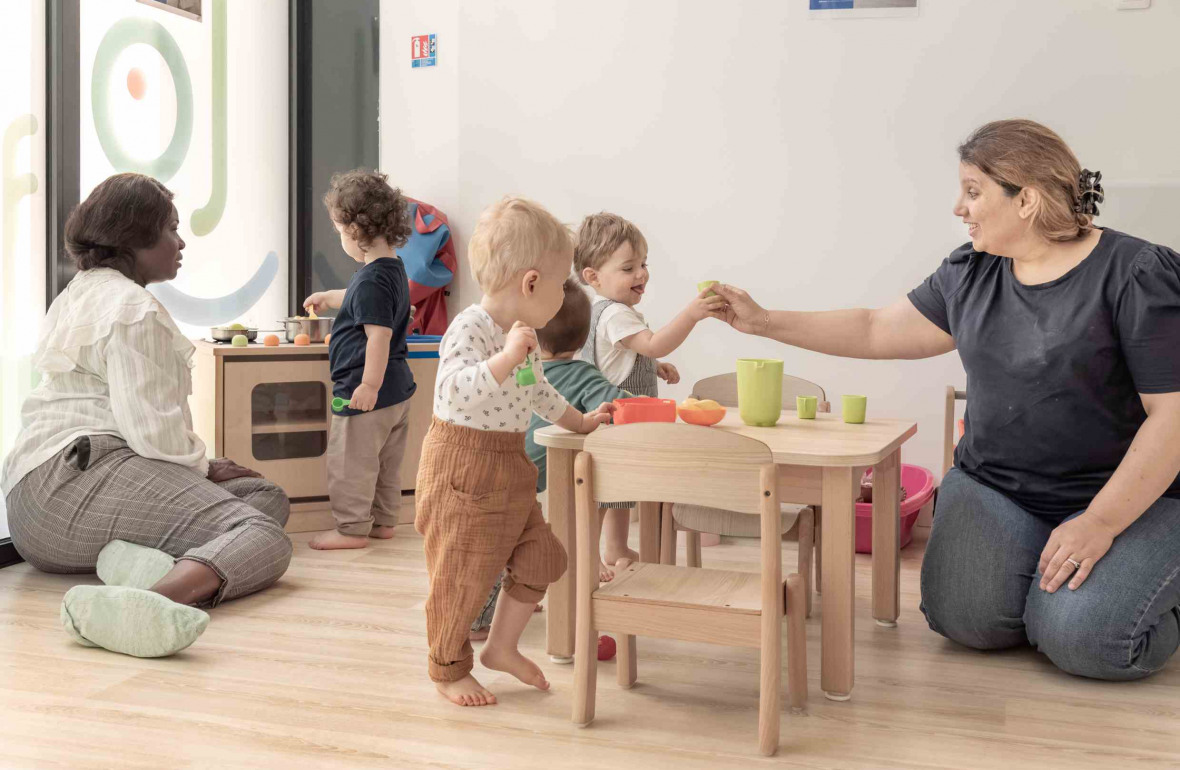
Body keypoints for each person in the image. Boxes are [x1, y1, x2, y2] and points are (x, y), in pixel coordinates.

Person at [711, 119, 1180, 681]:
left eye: (974, 191)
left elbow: (1172, 416)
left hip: (1122, 500)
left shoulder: (1138, 273)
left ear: (1026, 198)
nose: (960, 207)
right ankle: (1051, 593)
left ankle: (1128, 594)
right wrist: (763, 321)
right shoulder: (970, 272)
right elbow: (874, 329)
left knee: (1088, 642)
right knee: (967, 622)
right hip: (1000, 488)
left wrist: (1100, 523)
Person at [1, 173, 293, 658]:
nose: (181, 242)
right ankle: (140, 603)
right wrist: (205, 466)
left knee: (264, 496)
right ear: (134, 236)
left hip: (34, 510)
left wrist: (201, 467)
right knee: (261, 533)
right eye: (171, 229)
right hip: (79, 479)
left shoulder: (78, 294)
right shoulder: (134, 307)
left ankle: (136, 565)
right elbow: (153, 437)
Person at [415, 196, 611, 707]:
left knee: (544, 556)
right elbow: (455, 391)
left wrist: (583, 422)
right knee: (461, 574)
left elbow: (540, 395)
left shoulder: (521, 338)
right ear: (530, 283)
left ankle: (501, 647)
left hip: (509, 466)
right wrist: (505, 357)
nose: (564, 296)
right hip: (465, 465)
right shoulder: (472, 328)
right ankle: (447, 667)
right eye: (560, 284)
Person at [574, 212, 722, 570]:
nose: (641, 274)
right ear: (593, 276)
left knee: (615, 493)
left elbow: (617, 356)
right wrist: (692, 315)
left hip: (609, 416)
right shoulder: (618, 315)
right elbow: (652, 343)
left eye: (643, 264)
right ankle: (595, 556)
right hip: (622, 417)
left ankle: (614, 549)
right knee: (612, 492)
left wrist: (652, 367)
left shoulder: (599, 312)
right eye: (628, 268)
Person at [302, 170, 416, 550]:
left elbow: (378, 336)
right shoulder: (391, 271)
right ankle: (384, 522)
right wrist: (327, 297)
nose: (341, 240)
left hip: (364, 393)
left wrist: (368, 385)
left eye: (339, 232)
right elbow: (357, 296)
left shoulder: (369, 281)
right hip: (397, 393)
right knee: (386, 464)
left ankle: (351, 529)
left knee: (352, 464)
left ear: (356, 231)